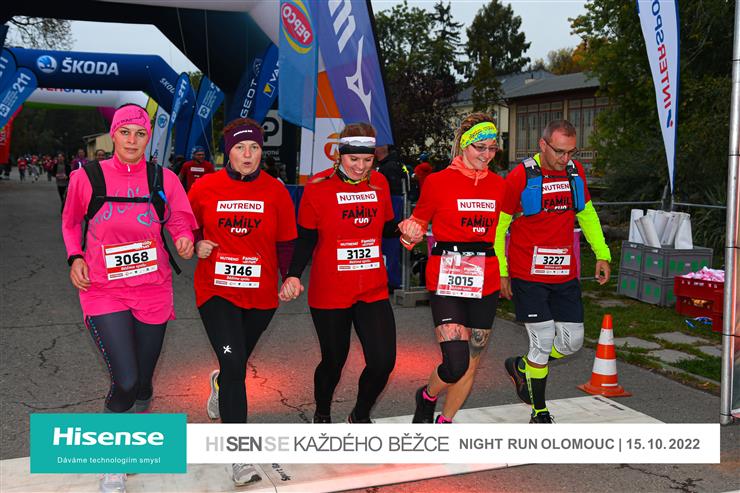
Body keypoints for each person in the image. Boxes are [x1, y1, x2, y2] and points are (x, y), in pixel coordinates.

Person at [62, 103, 196, 493]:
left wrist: (183, 237)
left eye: (140, 134)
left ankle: (134, 437)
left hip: (152, 290)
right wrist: (74, 257)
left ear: (148, 138)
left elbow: (178, 216)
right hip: (103, 290)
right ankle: (112, 462)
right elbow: (71, 223)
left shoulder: (163, 177)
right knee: (125, 380)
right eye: (125, 133)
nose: (132, 141)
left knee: (143, 383)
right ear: (114, 135)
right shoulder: (87, 177)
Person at [279, 123, 423, 424]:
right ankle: (322, 412)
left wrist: (405, 229)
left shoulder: (379, 182)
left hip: (372, 288)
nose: (360, 167)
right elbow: (305, 238)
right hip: (330, 292)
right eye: (353, 159)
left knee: (383, 361)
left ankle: (359, 414)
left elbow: (386, 227)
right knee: (334, 361)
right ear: (339, 155)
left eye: (367, 160)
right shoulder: (318, 186)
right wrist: (292, 275)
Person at [187, 117, 297, 486]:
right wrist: (197, 243)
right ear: (228, 152)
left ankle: (220, 382)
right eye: (239, 148)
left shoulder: (275, 190)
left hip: (261, 295)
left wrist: (290, 276)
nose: (247, 154)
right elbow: (186, 224)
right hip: (216, 290)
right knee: (235, 366)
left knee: (232, 365)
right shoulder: (205, 186)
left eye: (254, 148)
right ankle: (238, 456)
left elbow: (286, 240)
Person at [495, 119, 611, 424]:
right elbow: (499, 227)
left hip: (564, 273)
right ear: (543, 145)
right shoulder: (520, 176)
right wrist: (502, 271)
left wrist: (602, 254)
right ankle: (539, 411)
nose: (565, 158)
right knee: (543, 340)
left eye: (571, 152)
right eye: (559, 151)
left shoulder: (574, 171)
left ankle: (523, 366)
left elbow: (586, 213)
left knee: (572, 342)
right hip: (528, 273)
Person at [398, 113, 506, 424]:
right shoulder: (437, 182)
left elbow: (509, 227)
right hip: (447, 277)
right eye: (479, 147)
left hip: (485, 279)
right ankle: (427, 395)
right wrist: (410, 234)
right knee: (456, 363)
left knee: (472, 360)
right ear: (463, 145)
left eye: (492, 149)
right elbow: (416, 225)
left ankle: (445, 421)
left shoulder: (499, 186)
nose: (486, 155)